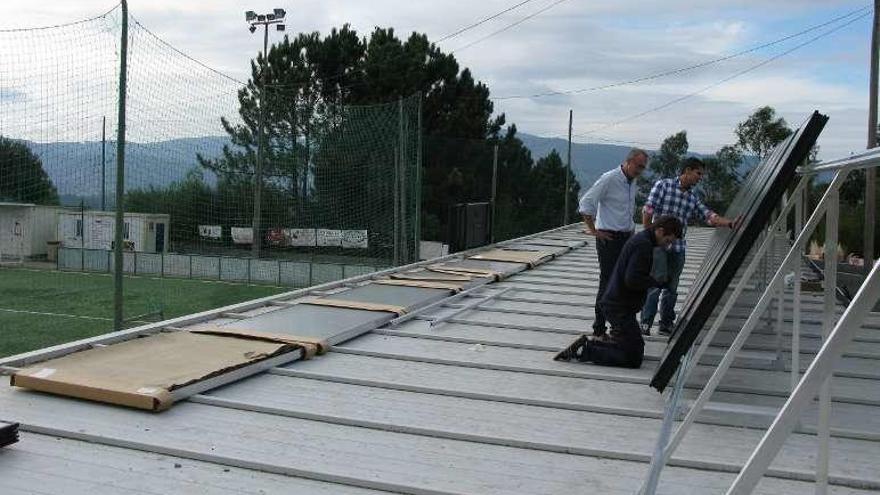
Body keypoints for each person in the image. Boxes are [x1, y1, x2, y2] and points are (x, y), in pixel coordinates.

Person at [554, 216, 683, 368]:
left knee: (634, 346)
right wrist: (656, 282)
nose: (667, 246)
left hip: (618, 305)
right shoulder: (644, 246)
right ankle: (585, 350)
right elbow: (632, 279)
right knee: (633, 358)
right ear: (660, 231)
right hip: (618, 307)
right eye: (668, 241)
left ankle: (599, 343)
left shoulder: (642, 240)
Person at [640, 157, 740, 336]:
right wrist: (649, 239)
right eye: (698, 173)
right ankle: (646, 323)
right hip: (658, 246)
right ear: (687, 170)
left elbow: (708, 215)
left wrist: (729, 223)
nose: (700, 178)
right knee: (655, 284)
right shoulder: (663, 186)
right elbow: (648, 210)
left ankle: (666, 324)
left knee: (672, 288)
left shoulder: (692, 198)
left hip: (678, 248)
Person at [578, 148, 648, 337]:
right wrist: (594, 231)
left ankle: (617, 327)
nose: (640, 170)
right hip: (609, 238)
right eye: (639, 166)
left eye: (643, 167)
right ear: (629, 161)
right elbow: (586, 203)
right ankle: (599, 328)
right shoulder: (609, 178)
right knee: (608, 282)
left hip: (626, 236)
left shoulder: (632, 181)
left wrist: (631, 229)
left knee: (623, 283)